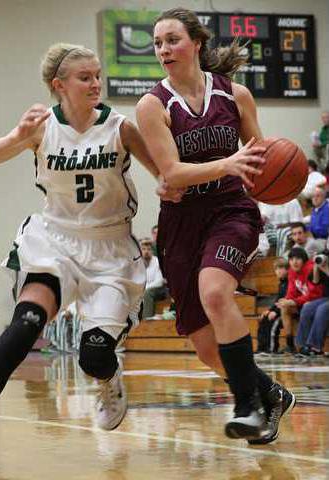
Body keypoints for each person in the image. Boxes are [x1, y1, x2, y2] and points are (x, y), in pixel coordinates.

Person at [0, 43, 181, 472]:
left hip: (110, 249)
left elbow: (166, 174)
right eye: (85, 77)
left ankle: (109, 379)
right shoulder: (41, 128)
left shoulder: (120, 128)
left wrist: (167, 185)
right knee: (24, 325)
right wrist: (15, 136)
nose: (96, 83)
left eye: (98, 75)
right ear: (59, 85)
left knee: (93, 354)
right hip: (56, 242)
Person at [136, 7, 295, 443]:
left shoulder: (235, 95)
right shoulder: (152, 105)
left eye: (172, 40)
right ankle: (270, 395)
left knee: (215, 292)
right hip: (181, 223)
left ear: (197, 42)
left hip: (231, 211)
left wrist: (278, 172)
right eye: (157, 43)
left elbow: (260, 158)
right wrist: (225, 163)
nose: (164, 49)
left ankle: (247, 407)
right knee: (207, 348)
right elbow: (171, 172)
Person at [276, 248, 324, 354]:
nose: (294, 262)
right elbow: (291, 292)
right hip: (303, 302)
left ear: (304, 260)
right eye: (291, 259)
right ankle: (290, 344)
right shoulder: (291, 272)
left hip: (317, 301)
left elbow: (315, 295)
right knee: (285, 307)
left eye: (298, 258)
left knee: (306, 305)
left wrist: (294, 302)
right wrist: (286, 300)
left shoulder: (310, 268)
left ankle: (308, 346)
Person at [296, 251, 329, 356]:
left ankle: (315, 347)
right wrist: (316, 266)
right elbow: (315, 281)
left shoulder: (326, 267)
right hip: (326, 298)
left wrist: (326, 269)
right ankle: (303, 346)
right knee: (307, 308)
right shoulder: (325, 257)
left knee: (322, 309)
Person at [255, 258, 288, 355]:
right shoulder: (281, 284)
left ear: (287, 269)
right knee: (263, 319)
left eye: (281, 268)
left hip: (286, 311)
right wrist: (269, 310)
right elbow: (277, 300)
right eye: (276, 269)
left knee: (274, 323)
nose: (278, 271)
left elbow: (286, 300)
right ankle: (261, 348)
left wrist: (276, 312)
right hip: (279, 310)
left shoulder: (289, 283)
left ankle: (272, 349)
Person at [140, 237, 168, 318]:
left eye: (149, 249)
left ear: (152, 251)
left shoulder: (157, 261)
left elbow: (159, 282)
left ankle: (147, 319)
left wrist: (144, 289)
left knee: (147, 293)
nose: (146, 252)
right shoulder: (137, 263)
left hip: (159, 289)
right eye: (144, 249)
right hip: (142, 290)